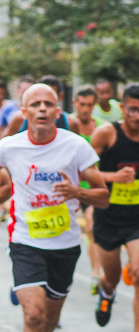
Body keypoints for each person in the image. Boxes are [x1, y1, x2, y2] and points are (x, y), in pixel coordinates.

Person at [0, 83, 109, 332]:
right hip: (25, 241)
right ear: (24, 111)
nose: (42, 109)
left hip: (64, 246)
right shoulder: (9, 146)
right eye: (35, 104)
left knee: (48, 321)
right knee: (33, 315)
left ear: (57, 110)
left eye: (48, 104)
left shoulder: (76, 146)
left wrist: (77, 192)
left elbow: (103, 196)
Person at [89, 83, 139, 332]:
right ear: (122, 108)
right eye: (133, 109)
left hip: (136, 219)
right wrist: (112, 178)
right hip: (108, 217)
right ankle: (107, 293)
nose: (138, 116)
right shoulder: (107, 133)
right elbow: (84, 169)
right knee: (112, 277)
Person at [71, 85, 103, 294]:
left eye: (90, 105)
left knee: (91, 226)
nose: (85, 109)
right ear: (75, 103)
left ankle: (95, 275)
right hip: (68, 188)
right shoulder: (66, 124)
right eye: (82, 104)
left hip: (91, 187)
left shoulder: (102, 128)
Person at [6, 76, 79, 135]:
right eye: (37, 103)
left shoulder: (70, 123)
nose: (42, 108)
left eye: (48, 102)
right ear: (25, 112)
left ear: (60, 97)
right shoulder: (19, 119)